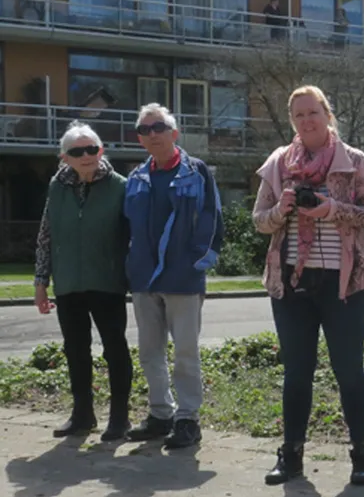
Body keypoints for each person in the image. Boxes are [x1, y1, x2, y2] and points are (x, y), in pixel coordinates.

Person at [252, 85, 364, 486]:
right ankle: (291, 456)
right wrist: (282, 209)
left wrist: (334, 210)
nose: (307, 121)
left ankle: (362, 456)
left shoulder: (353, 161)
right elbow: (260, 220)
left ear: (328, 114)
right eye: (299, 115)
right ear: (293, 121)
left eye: (313, 112)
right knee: (297, 373)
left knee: (349, 372)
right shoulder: (279, 164)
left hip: (343, 284)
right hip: (291, 283)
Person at [123, 104, 224, 450]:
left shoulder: (196, 172)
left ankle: (187, 419)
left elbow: (213, 218)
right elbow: (126, 228)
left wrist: (199, 262)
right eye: (146, 129)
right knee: (150, 351)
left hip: (182, 279)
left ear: (174, 133)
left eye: (160, 127)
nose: (153, 133)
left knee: (185, 352)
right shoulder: (136, 178)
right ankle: (160, 414)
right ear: (140, 138)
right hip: (143, 280)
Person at [33, 122, 133, 441]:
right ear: (66, 157)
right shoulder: (56, 186)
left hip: (107, 281)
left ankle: (119, 419)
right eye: (78, 151)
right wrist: (40, 282)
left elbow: (134, 236)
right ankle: (82, 415)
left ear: (101, 151)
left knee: (115, 349)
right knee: (75, 350)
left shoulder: (120, 186)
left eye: (92, 149)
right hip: (69, 283)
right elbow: (46, 235)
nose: (86, 155)